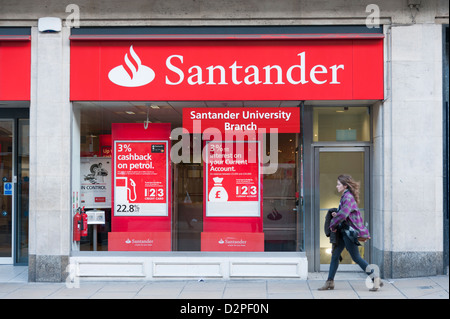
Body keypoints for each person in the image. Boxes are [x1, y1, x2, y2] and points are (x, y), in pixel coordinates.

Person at [318, 174, 382, 292]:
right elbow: (343, 213)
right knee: (335, 255)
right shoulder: (345, 196)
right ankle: (329, 282)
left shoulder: (347, 197)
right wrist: (336, 214)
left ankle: (375, 279)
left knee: (356, 257)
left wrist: (333, 224)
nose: (336, 186)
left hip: (349, 233)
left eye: (338, 184)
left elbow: (344, 214)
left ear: (345, 186)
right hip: (344, 231)